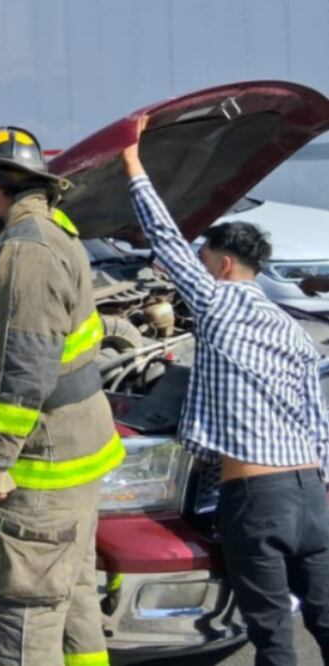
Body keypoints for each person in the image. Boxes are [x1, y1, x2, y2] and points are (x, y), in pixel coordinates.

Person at [123, 116, 329, 666]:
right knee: (327, 623)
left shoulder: (218, 306)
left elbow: (165, 236)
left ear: (225, 262)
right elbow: (319, 422)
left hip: (255, 502)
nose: (199, 267)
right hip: (312, 496)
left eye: (204, 259)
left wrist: (132, 163)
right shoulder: (297, 331)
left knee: (273, 643)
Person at [0, 127, 122, 666]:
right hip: (75, 451)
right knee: (69, 597)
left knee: (24, 610)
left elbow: (22, 372)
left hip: (43, 463)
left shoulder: (23, 254)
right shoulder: (51, 232)